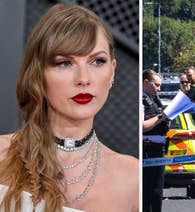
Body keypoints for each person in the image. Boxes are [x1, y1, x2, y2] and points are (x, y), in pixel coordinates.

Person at [0, 4, 139, 212]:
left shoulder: (132, 178)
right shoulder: (1, 154)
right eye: (64, 63)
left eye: (97, 61)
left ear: (112, 71)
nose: (83, 79)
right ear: (38, 73)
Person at [142, 69, 169, 212]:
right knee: (148, 194)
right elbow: (142, 126)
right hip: (148, 151)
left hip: (158, 150)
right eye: (156, 85)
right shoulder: (140, 100)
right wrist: (161, 117)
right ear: (146, 82)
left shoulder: (154, 99)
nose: (159, 89)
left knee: (157, 193)